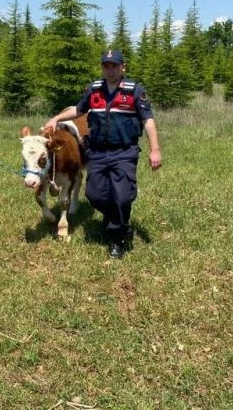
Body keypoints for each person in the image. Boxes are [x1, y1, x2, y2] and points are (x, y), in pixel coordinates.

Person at [42, 49, 161, 259]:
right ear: (102, 68)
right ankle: (118, 220)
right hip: (97, 151)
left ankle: (117, 238)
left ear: (123, 67)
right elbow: (78, 110)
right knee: (94, 195)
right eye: (106, 66)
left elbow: (148, 120)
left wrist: (155, 149)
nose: (110, 70)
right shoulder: (94, 90)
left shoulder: (134, 91)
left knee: (122, 197)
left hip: (124, 152)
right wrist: (56, 118)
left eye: (115, 66)